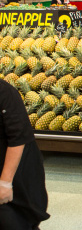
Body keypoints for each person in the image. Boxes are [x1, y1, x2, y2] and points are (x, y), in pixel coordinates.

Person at [0, 80, 50, 230]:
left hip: (17, 172)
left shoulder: (5, 93)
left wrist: (5, 183)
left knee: (15, 221)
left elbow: (18, 138)